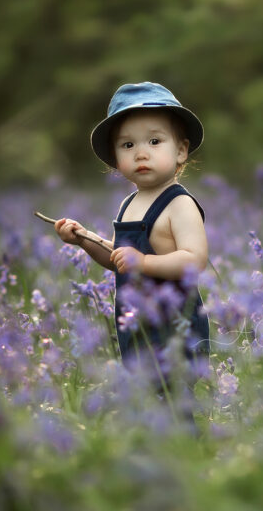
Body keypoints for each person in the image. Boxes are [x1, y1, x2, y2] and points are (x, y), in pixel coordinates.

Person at [53, 82, 210, 371]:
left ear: (181, 151)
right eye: (128, 145)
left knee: (173, 399)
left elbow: (195, 260)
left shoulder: (180, 204)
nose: (140, 153)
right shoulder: (129, 204)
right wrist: (84, 239)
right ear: (116, 159)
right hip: (135, 322)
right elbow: (118, 259)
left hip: (174, 325)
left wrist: (144, 261)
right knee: (145, 402)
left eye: (154, 142)